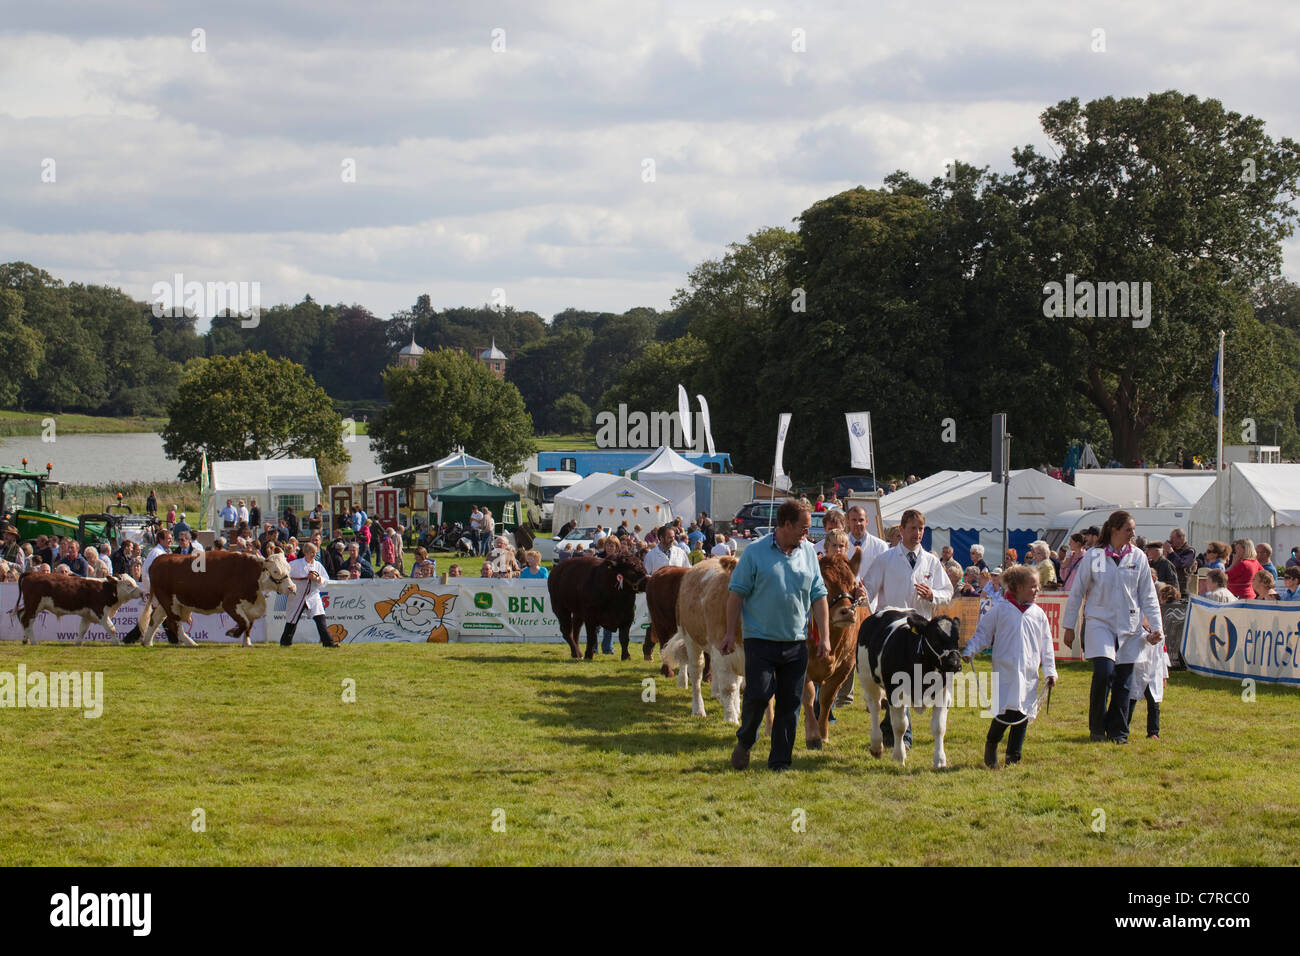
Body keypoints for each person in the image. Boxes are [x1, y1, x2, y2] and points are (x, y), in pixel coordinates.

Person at [722, 499, 829, 773]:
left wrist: (825, 637)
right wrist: (728, 633)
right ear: (786, 524)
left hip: (796, 642)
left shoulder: (807, 553)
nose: (808, 534)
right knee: (758, 694)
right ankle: (745, 741)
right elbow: (736, 594)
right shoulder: (755, 553)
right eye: (804, 528)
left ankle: (780, 761)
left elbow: (819, 596)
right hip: (760, 640)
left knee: (790, 703)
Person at [1062, 509, 1163, 744]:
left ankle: (1119, 732)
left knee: (1124, 680)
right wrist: (1069, 626)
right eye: (1129, 530)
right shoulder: (1094, 556)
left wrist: (1157, 627)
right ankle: (1097, 727)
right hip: (1100, 621)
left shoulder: (1138, 557)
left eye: (1134, 530)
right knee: (1104, 672)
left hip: (1130, 624)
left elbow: (1148, 595)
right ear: (1115, 530)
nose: (1133, 534)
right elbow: (1077, 592)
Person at [862, 508, 953, 748]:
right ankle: (904, 736)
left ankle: (893, 730)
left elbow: (948, 592)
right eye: (912, 528)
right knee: (899, 681)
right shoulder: (885, 559)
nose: (917, 533)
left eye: (921, 528)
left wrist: (933, 594)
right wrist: (861, 595)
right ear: (901, 530)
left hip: (920, 631)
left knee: (908, 681)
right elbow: (869, 589)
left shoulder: (932, 562)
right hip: (891, 632)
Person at [962, 565, 1058, 768]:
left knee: (1022, 713)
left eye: (1038, 586)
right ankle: (992, 744)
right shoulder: (1001, 610)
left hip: (1029, 672)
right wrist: (970, 650)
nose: (1037, 590)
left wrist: (1050, 671)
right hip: (1005, 670)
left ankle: (1014, 756)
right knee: (1005, 712)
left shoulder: (1038, 614)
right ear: (1018, 587)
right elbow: (983, 634)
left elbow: (1046, 646)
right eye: (1033, 586)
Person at [279, 542, 338, 647]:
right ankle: (285, 642)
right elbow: (284, 574)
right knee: (292, 620)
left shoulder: (318, 565)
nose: (313, 555)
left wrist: (317, 578)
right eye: (311, 552)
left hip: (313, 596)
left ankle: (328, 643)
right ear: (305, 553)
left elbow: (326, 580)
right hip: (297, 596)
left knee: (321, 619)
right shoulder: (295, 564)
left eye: (315, 553)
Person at [1128, 626, 1169, 740]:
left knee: (1153, 702)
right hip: (1138, 671)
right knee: (1132, 699)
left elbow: (1162, 655)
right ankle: (1123, 727)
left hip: (1154, 673)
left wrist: (1164, 676)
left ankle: (1153, 732)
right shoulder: (1137, 630)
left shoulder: (1159, 632)